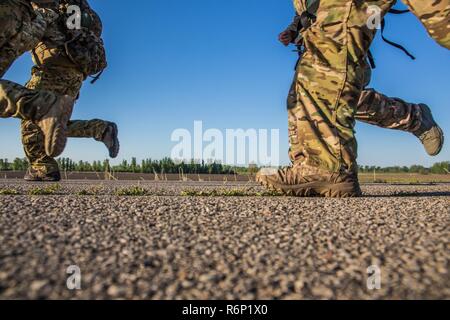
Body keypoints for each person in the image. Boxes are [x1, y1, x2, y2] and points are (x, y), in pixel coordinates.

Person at [256, 0, 449, 197]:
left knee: (332, 92)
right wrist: (294, 29)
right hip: (320, 32)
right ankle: (310, 166)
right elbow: (305, 10)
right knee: (303, 97)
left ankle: (326, 167)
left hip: (341, 20)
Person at [21, 0, 120, 181]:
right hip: (76, 74)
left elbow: (30, 32)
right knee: (53, 121)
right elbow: (93, 34)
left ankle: (42, 166)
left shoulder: (49, 8)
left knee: (30, 116)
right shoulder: (87, 13)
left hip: (51, 71)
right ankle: (100, 129)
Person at [0, 0, 75, 158]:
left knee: (33, 130)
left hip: (9, 13)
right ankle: (42, 107)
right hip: (26, 24)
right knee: (54, 123)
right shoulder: (71, 10)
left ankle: (42, 105)